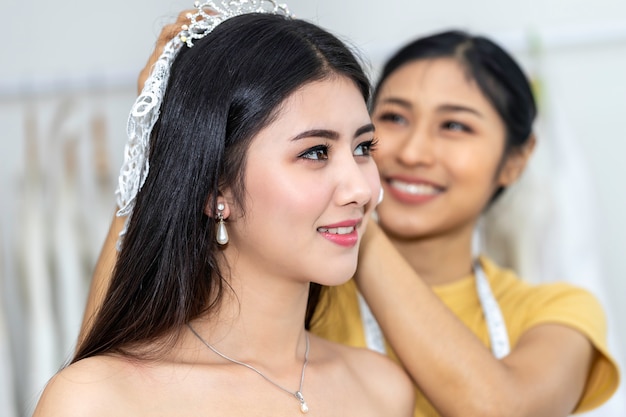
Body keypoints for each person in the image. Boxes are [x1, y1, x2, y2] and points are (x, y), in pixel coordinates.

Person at [79, 17, 620, 417]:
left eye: (455, 126)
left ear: (517, 159)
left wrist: (348, 208)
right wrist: (161, 141)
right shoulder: (283, 284)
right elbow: (113, 362)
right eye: (392, 121)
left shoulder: (554, 312)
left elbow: (500, 409)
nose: (411, 152)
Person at [32, 2, 416, 416]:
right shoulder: (100, 398)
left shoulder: (381, 389)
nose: (362, 188)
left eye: (363, 147)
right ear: (216, 189)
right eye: (316, 152)